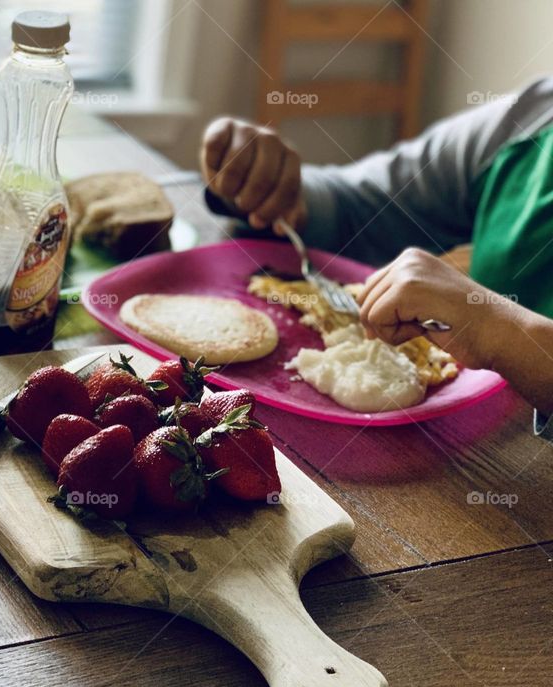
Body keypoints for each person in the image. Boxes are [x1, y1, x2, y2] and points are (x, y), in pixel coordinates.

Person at [199, 78, 553, 433]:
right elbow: (359, 202)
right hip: (458, 441)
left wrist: (502, 330)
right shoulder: (534, 116)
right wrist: (271, 184)